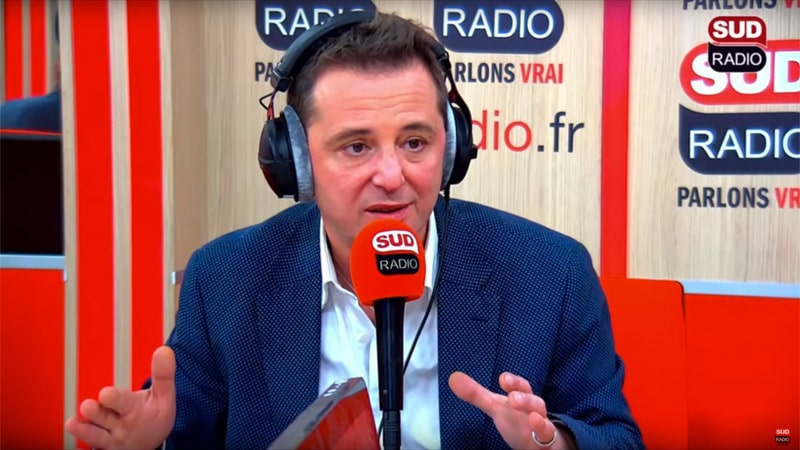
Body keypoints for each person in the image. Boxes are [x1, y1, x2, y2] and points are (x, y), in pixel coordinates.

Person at [65, 10, 643, 450]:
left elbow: (616, 437)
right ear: (296, 162)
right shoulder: (227, 279)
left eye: (414, 142)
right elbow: (186, 433)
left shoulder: (547, 272)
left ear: (451, 149)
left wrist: (553, 443)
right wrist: (151, 445)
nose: (391, 176)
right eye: (356, 146)